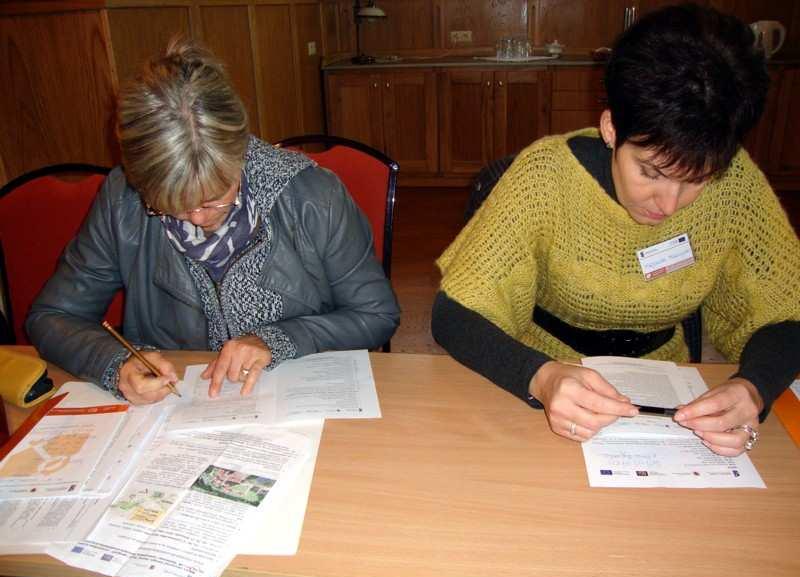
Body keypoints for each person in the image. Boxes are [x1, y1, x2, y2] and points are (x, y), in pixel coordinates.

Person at [432, 3, 800, 457]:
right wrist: (540, 376)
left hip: (673, 396)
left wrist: (753, 387)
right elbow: (455, 314)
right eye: (651, 172)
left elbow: (786, 312)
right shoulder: (545, 178)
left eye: (698, 179)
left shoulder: (736, 184)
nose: (669, 204)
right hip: (546, 383)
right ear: (611, 128)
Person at [27, 38, 399, 405]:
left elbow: (376, 314)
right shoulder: (122, 200)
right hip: (175, 416)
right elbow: (52, 316)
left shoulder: (312, 195)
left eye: (213, 200)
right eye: (169, 206)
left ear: (240, 154)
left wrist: (279, 339)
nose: (198, 219)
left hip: (297, 402)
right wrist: (117, 362)